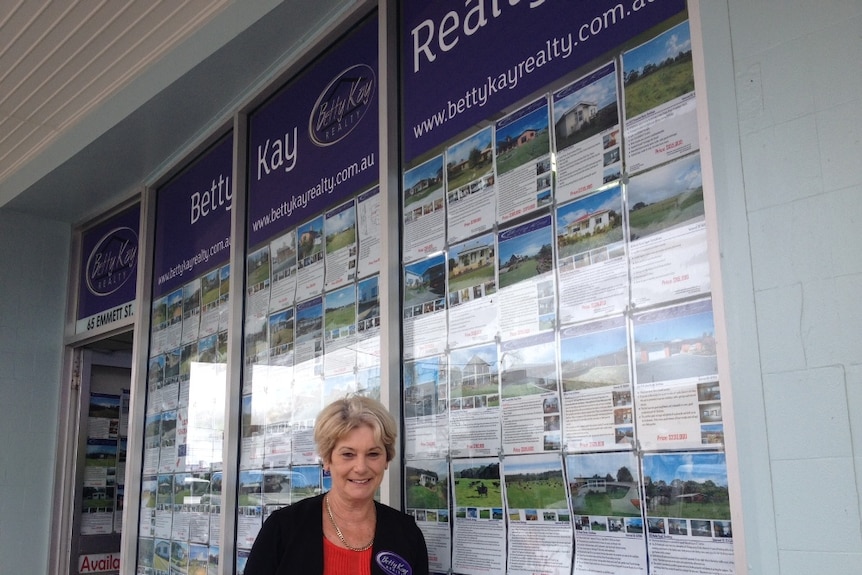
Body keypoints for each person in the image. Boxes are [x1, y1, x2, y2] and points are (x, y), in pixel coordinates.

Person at [244, 395, 429, 575]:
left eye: (373, 454)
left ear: (387, 459)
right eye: (348, 454)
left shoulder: (407, 533)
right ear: (327, 459)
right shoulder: (283, 529)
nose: (361, 468)